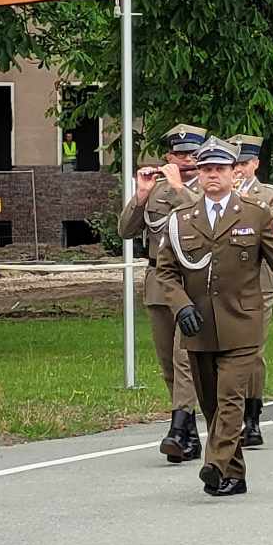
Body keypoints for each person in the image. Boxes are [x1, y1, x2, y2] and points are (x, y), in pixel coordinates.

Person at [158, 139, 273, 496]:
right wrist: (180, 304)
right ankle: (236, 474)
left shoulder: (255, 214)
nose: (212, 175)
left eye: (219, 169)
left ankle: (214, 463)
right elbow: (165, 273)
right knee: (211, 403)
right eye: (205, 169)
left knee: (231, 397)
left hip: (242, 323)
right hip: (198, 326)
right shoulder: (181, 220)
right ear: (198, 174)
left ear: (234, 173)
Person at [117, 124, 206, 463]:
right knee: (169, 363)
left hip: (192, 281)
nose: (187, 160)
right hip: (158, 281)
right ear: (169, 156)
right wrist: (140, 195)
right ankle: (189, 434)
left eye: (193, 155)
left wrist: (180, 186)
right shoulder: (155, 191)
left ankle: (178, 427)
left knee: (186, 359)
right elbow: (126, 230)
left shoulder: (207, 187)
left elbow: (201, 221)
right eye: (181, 155)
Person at [230, 134, 273, 448]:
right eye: (233, 164)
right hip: (224, 284)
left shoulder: (270, 195)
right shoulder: (215, 192)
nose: (238, 170)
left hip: (259, 282)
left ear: (255, 164)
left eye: (244, 164)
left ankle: (252, 415)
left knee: (253, 352)